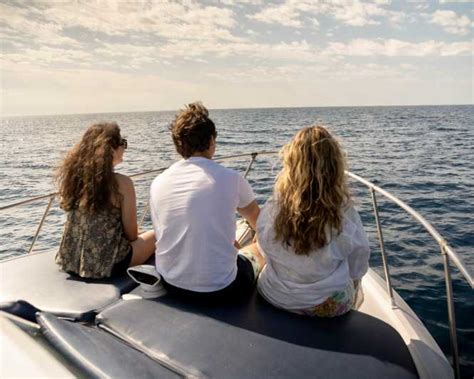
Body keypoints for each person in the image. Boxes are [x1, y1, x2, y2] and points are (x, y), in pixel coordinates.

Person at [149, 102, 264, 302]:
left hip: (171, 283)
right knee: (258, 248)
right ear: (211, 141)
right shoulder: (231, 178)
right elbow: (259, 223)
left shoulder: (158, 182)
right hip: (222, 288)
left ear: (178, 146)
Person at [256, 126, 370, 317]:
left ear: (291, 165)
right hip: (327, 307)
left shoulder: (274, 206)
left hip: (275, 296)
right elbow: (359, 261)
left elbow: (263, 244)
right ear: (335, 167)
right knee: (355, 284)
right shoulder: (345, 213)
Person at [55, 122, 155, 279]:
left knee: (145, 234)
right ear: (112, 150)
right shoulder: (122, 184)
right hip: (109, 263)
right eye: (123, 143)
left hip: (71, 260)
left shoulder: (75, 179)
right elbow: (131, 236)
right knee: (159, 235)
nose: (124, 148)